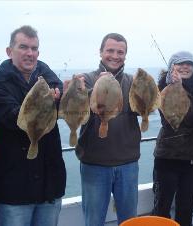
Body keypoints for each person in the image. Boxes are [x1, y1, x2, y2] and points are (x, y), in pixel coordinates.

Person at [0, 25, 66, 226]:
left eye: (34, 48)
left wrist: (61, 95)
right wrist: (48, 100)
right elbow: (14, 120)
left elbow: (64, 95)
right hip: (13, 189)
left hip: (50, 186)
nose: (29, 53)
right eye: (23, 47)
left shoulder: (51, 81)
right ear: (9, 51)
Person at [75, 33, 141, 226]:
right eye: (110, 50)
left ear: (125, 55)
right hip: (94, 164)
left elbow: (147, 107)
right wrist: (87, 88)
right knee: (94, 221)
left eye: (120, 52)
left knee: (129, 220)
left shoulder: (132, 82)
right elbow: (76, 111)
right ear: (101, 52)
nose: (115, 55)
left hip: (128, 164)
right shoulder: (86, 79)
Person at [152, 51, 193, 226]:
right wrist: (176, 86)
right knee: (161, 209)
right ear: (171, 67)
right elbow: (186, 119)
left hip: (191, 159)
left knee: (186, 209)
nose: (185, 66)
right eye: (180, 63)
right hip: (167, 157)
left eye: (189, 63)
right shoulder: (162, 86)